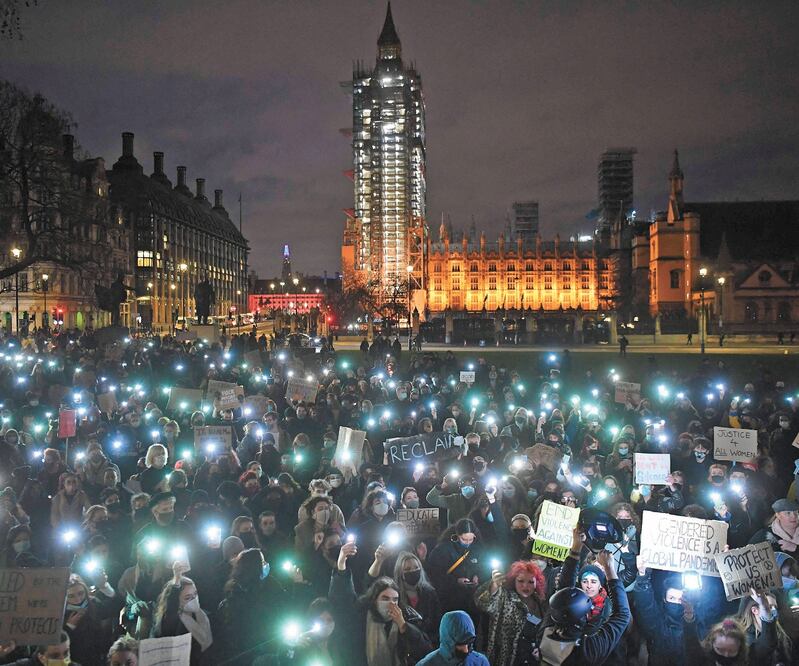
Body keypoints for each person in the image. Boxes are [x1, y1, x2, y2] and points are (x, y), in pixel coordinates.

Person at [329, 540, 433, 665]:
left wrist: (404, 627)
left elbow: (425, 650)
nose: (391, 603)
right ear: (375, 600)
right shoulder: (360, 616)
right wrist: (341, 565)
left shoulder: (408, 617)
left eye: (395, 599)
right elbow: (343, 599)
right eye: (385, 599)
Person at [536, 548, 631, 665]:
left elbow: (563, 590)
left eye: (594, 581)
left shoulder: (544, 634)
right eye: (585, 581)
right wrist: (609, 568)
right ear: (584, 618)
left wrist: (575, 550)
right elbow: (622, 615)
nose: (589, 586)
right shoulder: (589, 650)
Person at [474, 559, 548, 665]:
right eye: (521, 581)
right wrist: (494, 585)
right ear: (514, 581)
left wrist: (540, 649)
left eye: (531, 582)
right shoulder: (505, 597)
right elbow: (483, 603)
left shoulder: (541, 605)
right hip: (504, 661)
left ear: (537, 583)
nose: (525, 586)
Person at [152, 562, 213, 665]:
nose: (194, 599)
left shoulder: (203, 616)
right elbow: (171, 607)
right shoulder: (171, 620)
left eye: (195, 594)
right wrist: (176, 579)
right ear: (177, 602)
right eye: (188, 598)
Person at [415, 610, 490, 666]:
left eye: (469, 643)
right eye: (461, 644)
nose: (466, 650)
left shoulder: (481, 662)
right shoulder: (427, 664)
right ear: (449, 641)